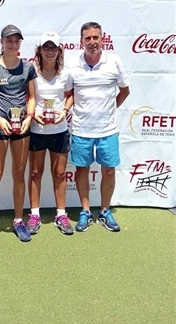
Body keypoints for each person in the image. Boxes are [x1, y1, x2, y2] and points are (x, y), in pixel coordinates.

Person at [70, 22, 130, 232]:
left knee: (110, 172)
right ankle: (85, 211)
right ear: (81, 41)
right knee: (81, 170)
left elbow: (124, 91)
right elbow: (69, 95)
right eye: (88, 38)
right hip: (81, 129)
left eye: (96, 37)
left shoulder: (114, 61)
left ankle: (105, 211)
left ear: (102, 38)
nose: (92, 42)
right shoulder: (73, 64)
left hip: (108, 130)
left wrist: (109, 110)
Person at [0, 24, 36, 246]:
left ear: (20, 44)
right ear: (2, 42)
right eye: (9, 41)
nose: (13, 45)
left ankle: (18, 220)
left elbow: (32, 97)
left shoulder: (28, 68)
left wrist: (29, 117)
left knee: (19, 173)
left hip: (22, 129)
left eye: (16, 41)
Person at [27, 31, 74, 235]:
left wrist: (64, 111)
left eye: (53, 48)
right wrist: (33, 114)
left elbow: (70, 96)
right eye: (46, 47)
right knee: (35, 173)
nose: (49, 51)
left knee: (60, 173)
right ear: (39, 50)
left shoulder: (66, 73)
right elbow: (27, 96)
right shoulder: (31, 72)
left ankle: (61, 214)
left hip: (59, 130)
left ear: (59, 50)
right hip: (37, 129)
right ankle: (35, 214)